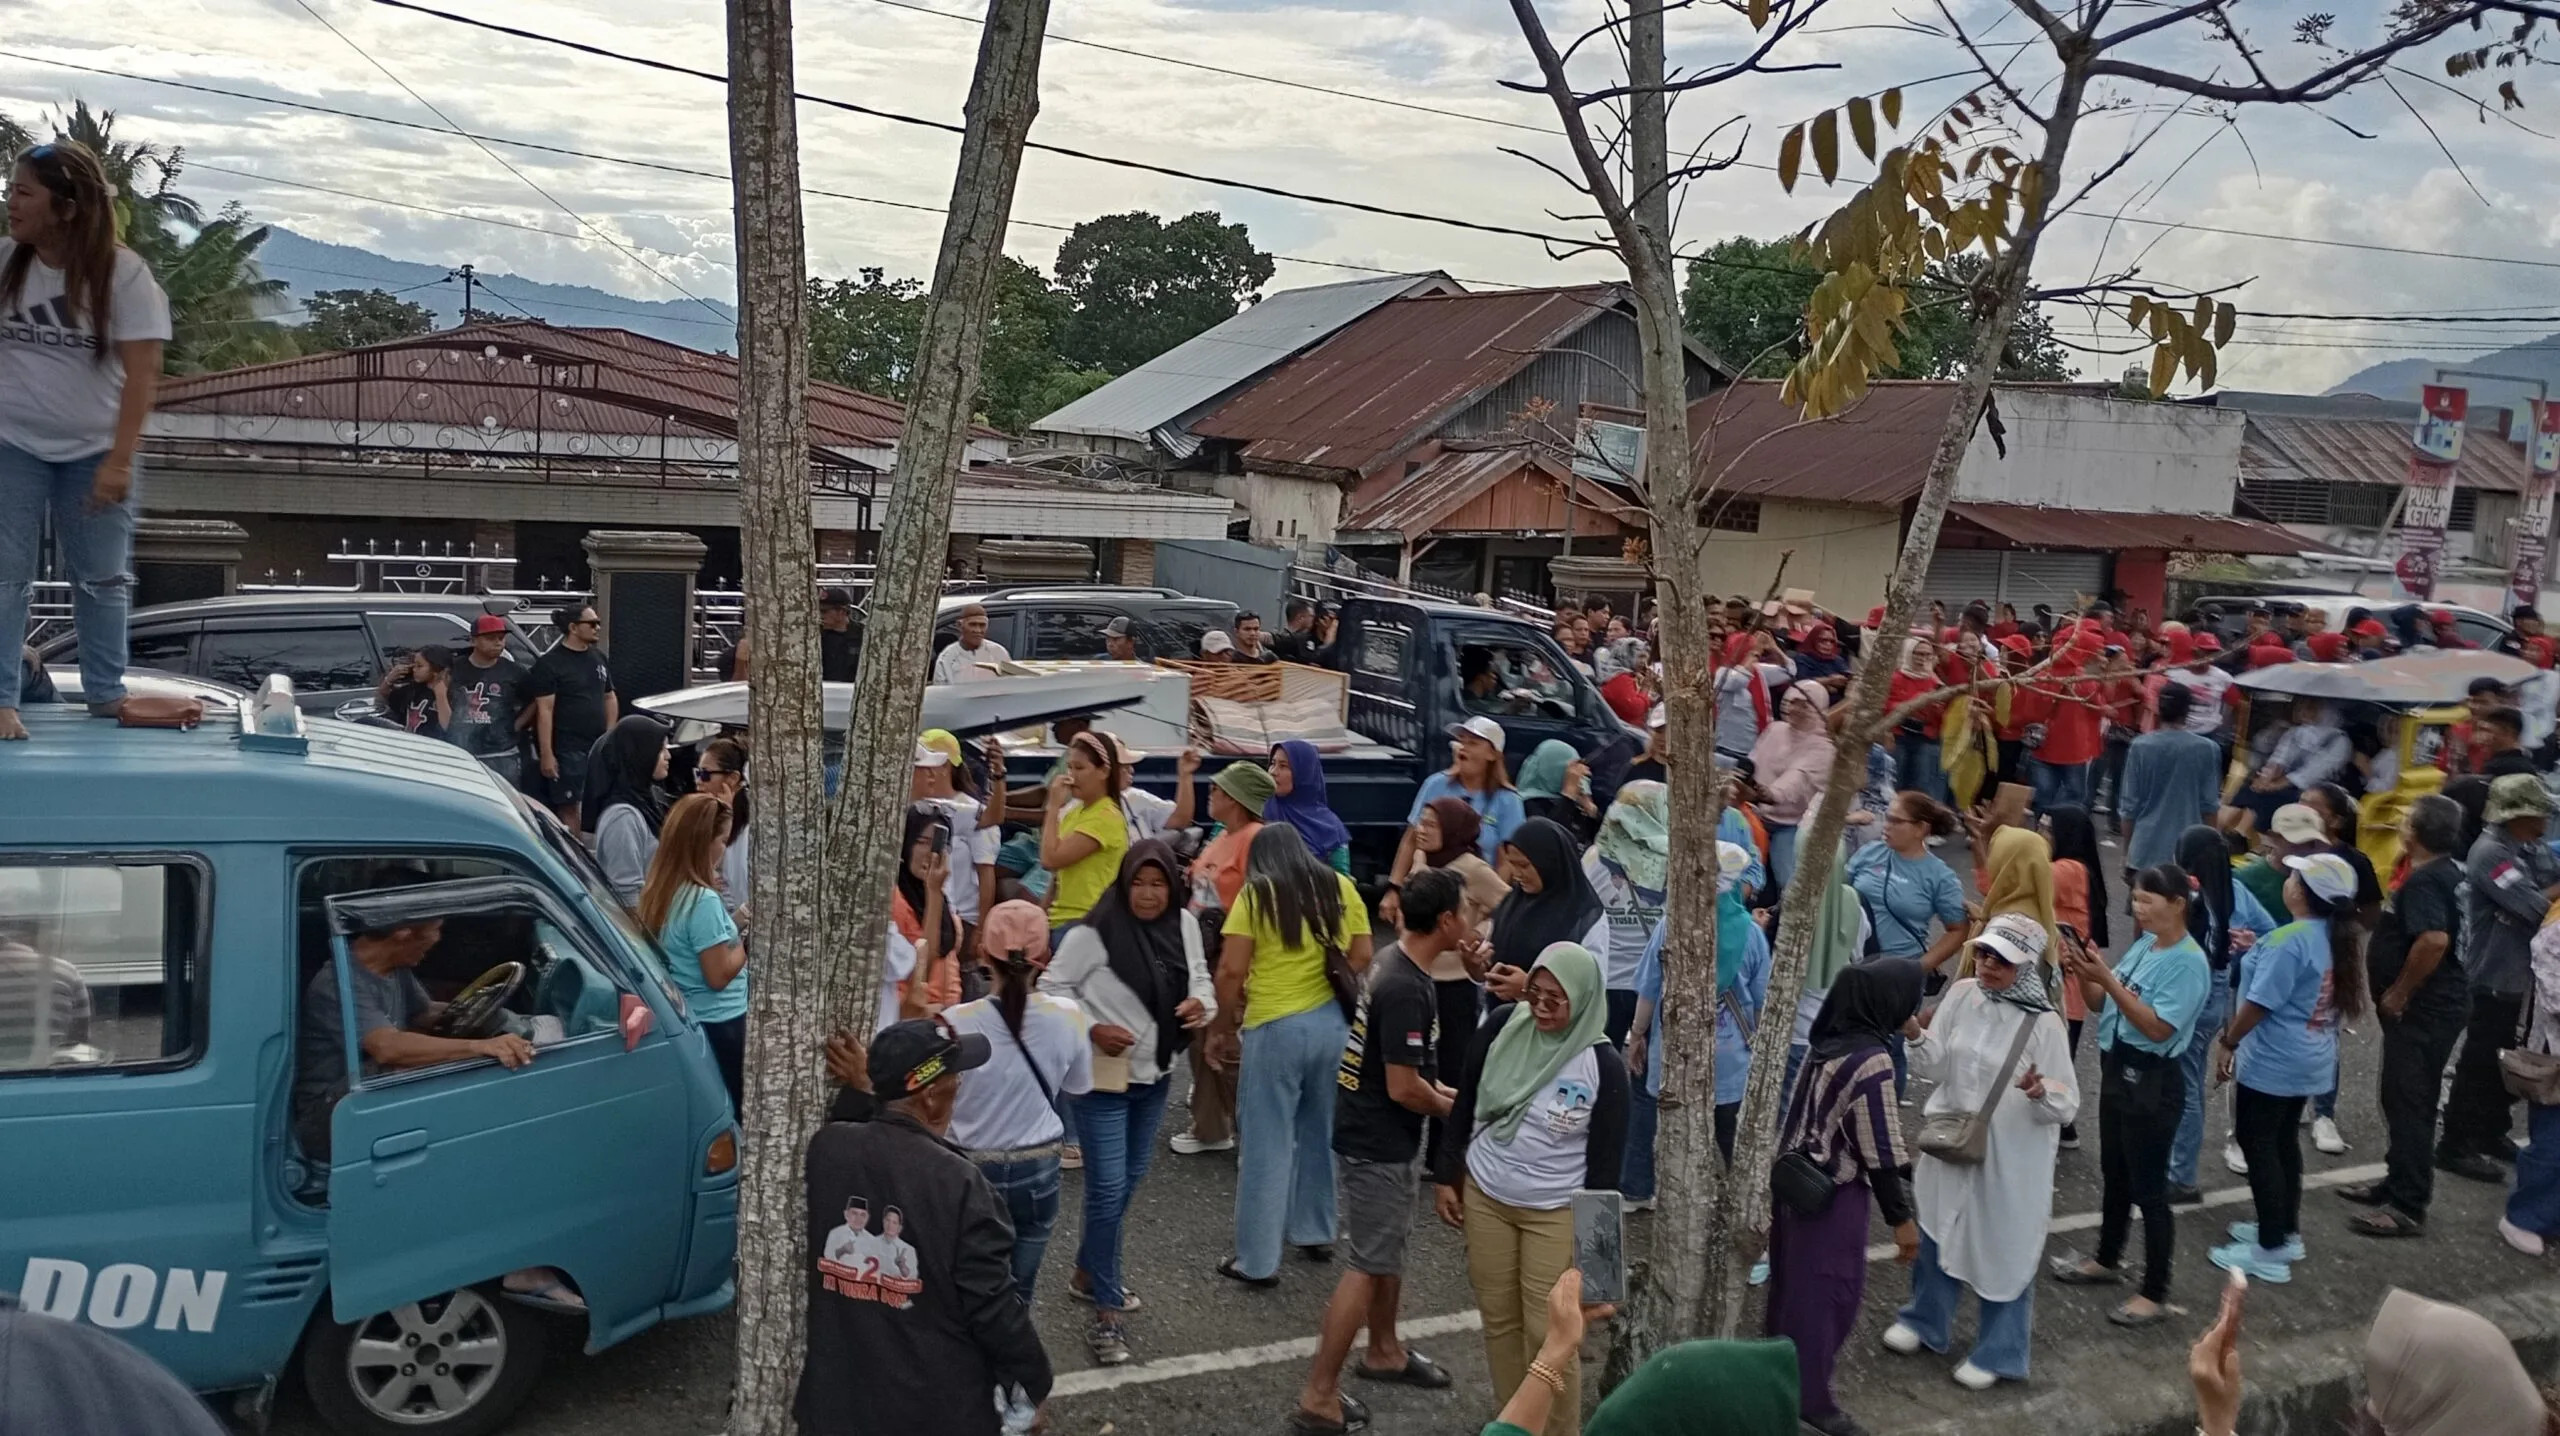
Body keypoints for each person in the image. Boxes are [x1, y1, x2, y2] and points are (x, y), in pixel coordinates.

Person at [796, 1020, 1053, 1436]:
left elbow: (864, 1134)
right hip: (933, 1410)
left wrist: (872, 1090)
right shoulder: (960, 1184)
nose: (961, 1087)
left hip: (839, 1406)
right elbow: (993, 1309)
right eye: (957, 1078)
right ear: (932, 1095)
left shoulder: (827, 1149)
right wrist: (1033, 1384)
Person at [0, 140, 169, 740]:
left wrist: (119, 461)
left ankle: (105, 694)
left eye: (23, 192)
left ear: (66, 207)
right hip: (12, 442)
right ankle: (2, 702)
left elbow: (144, 374)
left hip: (95, 448)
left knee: (101, 578)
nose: (10, 202)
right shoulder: (7, 261)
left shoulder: (124, 275)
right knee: (5, 572)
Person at [1291, 866, 1464, 1434]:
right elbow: (1402, 1087)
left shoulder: (1396, 961)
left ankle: (1384, 1349)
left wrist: (1446, 1095)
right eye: (1462, 911)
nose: (1468, 920)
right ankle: (1319, 1394)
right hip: (1377, 1140)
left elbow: (1412, 1076)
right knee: (1367, 1263)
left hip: (1376, 1134)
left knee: (1387, 1247)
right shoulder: (1406, 987)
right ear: (1445, 921)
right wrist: (1454, 1111)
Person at [1436, 943, 1628, 1436]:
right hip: (1487, 1197)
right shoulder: (1503, 1025)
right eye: (1534, 994)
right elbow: (1467, 1100)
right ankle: (1514, 1425)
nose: (1540, 1008)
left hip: (1553, 1213)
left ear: (1583, 1002)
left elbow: (1605, 1174)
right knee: (1499, 1323)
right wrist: (1447, 1174)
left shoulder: (1602, 1067)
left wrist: (1600, 1276)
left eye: (1555, 1000)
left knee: (1551, 1338)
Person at [1883, 912, 2076, 1390]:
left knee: (2005, 1244)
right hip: (1952, 1139)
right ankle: (1925, 1322)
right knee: (1936, 1225)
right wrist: (1913, 1035)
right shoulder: (1965, 995)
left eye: (2002, 959)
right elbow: (1938, 1064)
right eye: (1985, 953)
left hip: (2011, 1156)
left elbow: (2067, 1102)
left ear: (2027, 966)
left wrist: (2039, 1091)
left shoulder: (2044, 1024)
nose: (1988, 965)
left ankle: (2000, 1351)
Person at [1043, 851, 1211, 1359]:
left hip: (1155, 1078)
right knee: (1107, 1191)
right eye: (1138, 882)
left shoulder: (1182, 923)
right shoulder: (1091, 934)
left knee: (1124, 1187)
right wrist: (1092, 1028)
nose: (1148, 893)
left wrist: (1202, 1003)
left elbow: (1201, 977)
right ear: (1123, 883)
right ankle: (1107, 1315)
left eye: (1158, 883)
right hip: (1102, 1083)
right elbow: (1050, 988)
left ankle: (1084, 1271)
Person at [1766, 958, 1924, 1436]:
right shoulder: (1872, 1061)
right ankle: (1811, 1399)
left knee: (1790, 1293)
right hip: (1833, 1199)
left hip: (1793, 1186)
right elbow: (1880, 1148)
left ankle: (1776, 1379)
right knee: (1830, 1297)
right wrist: (1902, 1220)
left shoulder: (1826, 1042)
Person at [1210, 823, 1372, 1286]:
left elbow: (1230, 969)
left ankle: (1256, 1261)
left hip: (1275, 1025)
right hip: (1332, 1027)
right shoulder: (1340, 886)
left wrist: (1221, 1027)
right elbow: (1362, 952)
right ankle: (1315, 1230)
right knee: (1319, 1130)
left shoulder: (1257, 895)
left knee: (1266, 1141)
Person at [2049, 865, 2210, 1325]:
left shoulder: (2188, 961)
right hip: (2119, 1066)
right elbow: (2100, 1005)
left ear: (2178, 903)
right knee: (2115, 1172)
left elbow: (2158, 1028)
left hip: (2153, 1078)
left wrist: (2108, 979)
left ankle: (2154, 1292)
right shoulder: (2145, 944)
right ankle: (2106, 1257)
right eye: (2135, 901)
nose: (2137, 909)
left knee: (2150, 1189)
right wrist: (2083, 971)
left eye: (2147, 901)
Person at [2210, 850, 2365, 1282]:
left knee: (2258, 1142)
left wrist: (2229, 1041)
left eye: (2296, 875)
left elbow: (2260, 1003)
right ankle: (2281, 1229)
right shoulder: (2326, 935)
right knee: (2281, 1142)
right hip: (2309, 1057)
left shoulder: (2289, 940)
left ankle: (2270, 1249)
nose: (2289, 878)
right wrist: (2256, 947)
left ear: (2301, 890)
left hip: (2275, 1060)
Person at [944, 900, 1092, 1322]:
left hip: (968, 1166)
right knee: (1018, 1293)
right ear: (1041, 959)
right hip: (1038, 1166)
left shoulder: (954, 1021)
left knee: (965, 1287)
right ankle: (1012, 1378)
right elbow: (1077, 1087)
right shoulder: (1070, 1016)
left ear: (985, 955)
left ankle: (971, 1378)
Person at [292, 917, 537, 1162]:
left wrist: (479, 1009)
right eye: (435, 930)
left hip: (361, 1098)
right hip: (327, 1117)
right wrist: (480, 1046)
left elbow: (424, 1013)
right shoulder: (338, 982)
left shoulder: (392, 968)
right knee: (404, 1066)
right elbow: (387, 1047)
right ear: (402, 933)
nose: (438, 939)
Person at [2339, 795, 2467, 1237]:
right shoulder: (2443, 872)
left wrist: (2398, 992)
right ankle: (2395, 1181)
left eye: (2407, 819)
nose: (2401, 823)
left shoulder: (2427, 881)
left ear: (2418, 832)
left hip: (2424, 1012)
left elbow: (2433, 940)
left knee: (2409, 1101)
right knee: (2404, 1098)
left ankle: (2407, 1205)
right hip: (2435, 1010)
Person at [2444, 774, 2560, 1182]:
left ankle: (2490, 1131)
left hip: (2524, 979)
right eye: (2539, 810)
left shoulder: (2529, 847)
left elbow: (2545, 885)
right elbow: (2533, 907)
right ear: (2520, 814)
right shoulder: (2491, 853)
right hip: (2494, 975)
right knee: (2479, 1061)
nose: (2547, 817)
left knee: (2509, 1061)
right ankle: (2455, 1144)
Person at [1173, 762, 1268, 1159]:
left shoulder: (1255, 839)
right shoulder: (1221, 837)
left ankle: (1260, 1136)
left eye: (1218, 788)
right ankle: (1211, 1126)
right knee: (1202, 1040)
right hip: (1202, 951)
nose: (1210, 792)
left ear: (1237, 798)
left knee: (1226, 1045)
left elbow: (1260, 901)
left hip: (1230, 953)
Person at [640, 793, 748, 1110]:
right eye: (723, 840)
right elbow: (718, 974)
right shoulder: (704, 901)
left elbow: (689, 943)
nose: (725, 849)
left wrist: (735, 921)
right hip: (724, 1021)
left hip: (695, 1016)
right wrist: (748, 946)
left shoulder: (662, 889)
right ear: (704, 843)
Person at [1846, 792, 1970, 976]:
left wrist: (1918, 968)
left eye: (1896, 821)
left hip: (1896, 973)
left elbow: (1958, 930)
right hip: (1850, 964)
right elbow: (1839, 892)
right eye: (1886, 818)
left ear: (1921, 828)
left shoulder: (1940, 876)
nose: (1886, 826)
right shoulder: (1869, 852)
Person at [1582, 782, 1668, 1046]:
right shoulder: (1677, 860)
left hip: (1605, 979)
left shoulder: (1595, 858)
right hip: (1655, 984)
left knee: (1600, 1063)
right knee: (1648, 1074)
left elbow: (1584, 915)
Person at [1395, 717, 1524, 882]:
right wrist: (1395, 887)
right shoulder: (1435, 784)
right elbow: (1410, 841)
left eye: (1473, 743)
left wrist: (1494, 902)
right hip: (1429, 892)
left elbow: (1506, 862)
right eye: (1462, 741)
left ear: (1492, 754)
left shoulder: (1509, 800)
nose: (1463, 748)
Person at [2502, 902, 2560, 1257]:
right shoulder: (2555, 930)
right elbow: (2554, 996)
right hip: (2554, 1055)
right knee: (2552, 1144)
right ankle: (2524, 1218)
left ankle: (2550, 1216)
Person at [2117, 684, 2223, 873]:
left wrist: (2127, 852)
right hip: (2188, 852)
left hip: (2144, 849)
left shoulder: (2140, 746)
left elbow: (2129, 808)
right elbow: (2210, 807)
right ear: (2188, 710)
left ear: (2158, 708)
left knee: (2141, 901)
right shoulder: (2207, 749)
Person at [526, 604, 617, 825]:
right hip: (567, 747)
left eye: (598, 623)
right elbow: (544, 710)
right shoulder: (550, 664)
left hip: (597, 745)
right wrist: (547, 753)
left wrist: (611, 734)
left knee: (601, 800)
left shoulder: (598, 658)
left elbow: (609, 697)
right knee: (569, 805)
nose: (597, 628)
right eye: (592, 623)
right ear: (573, 627)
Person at [913, 730, 1000, 936]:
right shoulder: (923, 808)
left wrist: (980, 930)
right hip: (924, 913)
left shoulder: (963, 809)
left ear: (946, 767)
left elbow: (986, 874)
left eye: (933, 765)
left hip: (960, 919)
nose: (931, 773)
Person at [1041, 731, 1129, 931]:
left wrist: (1053, 806)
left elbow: (1049, 859)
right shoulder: (1076, 812)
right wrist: (1042, 915)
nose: (1071, 776)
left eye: (1079, 768)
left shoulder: (1105, 817)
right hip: (1061, 919)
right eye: (1070, 767)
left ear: (1104, 771)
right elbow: (1057, 876)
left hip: (1086, 920)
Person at [1751, 681, 1835, 889]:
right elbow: (1753, 761)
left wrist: (1770, 793)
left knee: (1788, 883)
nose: (1794, 709)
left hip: (1790, 825)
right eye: (1792, 702)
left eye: (1804, 705)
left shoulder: (1824, 748)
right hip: (1754, 813)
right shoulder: (1775, 730)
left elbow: (1794, 781)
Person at [883, 805, 958, 1028]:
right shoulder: (896, 897)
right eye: (921, 842)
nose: (931, 852)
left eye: (938, 844)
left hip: (946, 1014)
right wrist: (934, 892)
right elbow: (923, 962)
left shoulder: (938, 892)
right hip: (912, 1017)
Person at [586, 714, 672, 908]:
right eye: (661, 749)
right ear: (639, 755)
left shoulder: (645, 802)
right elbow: (628, 897)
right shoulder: (623, 818)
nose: (668, 756)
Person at [2237, 698, 2351, 832]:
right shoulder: (2295, 732)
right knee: (2250, 789)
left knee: (2273, 798)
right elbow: (2279, 758)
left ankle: (2245, 834)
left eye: (2312, 708)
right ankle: (2228, 830)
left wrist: (2274, 786)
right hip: (2283, 783)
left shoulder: (2340, 741)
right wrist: (2265, 779)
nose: (2304, 712)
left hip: (2313, 788)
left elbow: (2312, 773)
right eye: (2302, 707)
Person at [448, 614, 529, 782]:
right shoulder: (454, 669)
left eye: (501, 638)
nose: (498, 643)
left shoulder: (515, 672)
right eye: (491, 638)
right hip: (462, 752)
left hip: (502, 753)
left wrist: (517, 725)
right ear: (473, 641)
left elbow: (537, 700)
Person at [1266, 739, 1356, 873]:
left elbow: (1343, 882)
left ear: (1304, 773)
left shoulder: (1330, 828)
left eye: (1283, 766)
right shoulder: (1257, 809)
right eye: (1272, 764)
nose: (1273, 771)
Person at [694, 736, 752, 916]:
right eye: (697, 773)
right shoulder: (705, 819)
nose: (698, 782)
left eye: (705, 774)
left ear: (733, 778)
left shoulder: (747, 831)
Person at [1888, 636, 1949, 802]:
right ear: (1908, 653)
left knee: (1923, 787)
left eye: (1927, 655)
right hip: (1898, 736)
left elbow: (1943, 716)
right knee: (1895, 782)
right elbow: (1886, 706)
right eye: (1919, 654)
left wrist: (1936, 707)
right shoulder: (1895, 678)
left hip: (1926, 738)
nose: (1923, 659)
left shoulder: (1934, 681)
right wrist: (1915, 703)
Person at [1517, 739, 1599, 847]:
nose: (1575, 775)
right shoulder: (1527, 804)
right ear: (1552, 769)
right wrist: (1568, 794)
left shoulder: (1572, 804)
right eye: (1571, 769)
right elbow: (1548, 838)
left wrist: (1590, 809)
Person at [1712, 631, 1779, 764]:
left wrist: (1774, 648)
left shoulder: (1759, 672)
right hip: (1728, 748)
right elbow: (1736, 681)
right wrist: (1753, 655)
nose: (1756, 657)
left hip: (1755, 749)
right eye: (1750, 651)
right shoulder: (1723, 674)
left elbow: (1789, 670)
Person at [932, 602, 1010, 682]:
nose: (977, 630)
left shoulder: (999, 653)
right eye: (973, 625)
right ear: (959, 626)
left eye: (982, 625)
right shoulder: (947, 658)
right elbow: (941, 691)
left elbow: (1009, 685)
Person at [817, 586, 859, 682]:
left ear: (841, 612)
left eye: (824, 611)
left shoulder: (862, 636)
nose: (820, 615)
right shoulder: (815, 636)